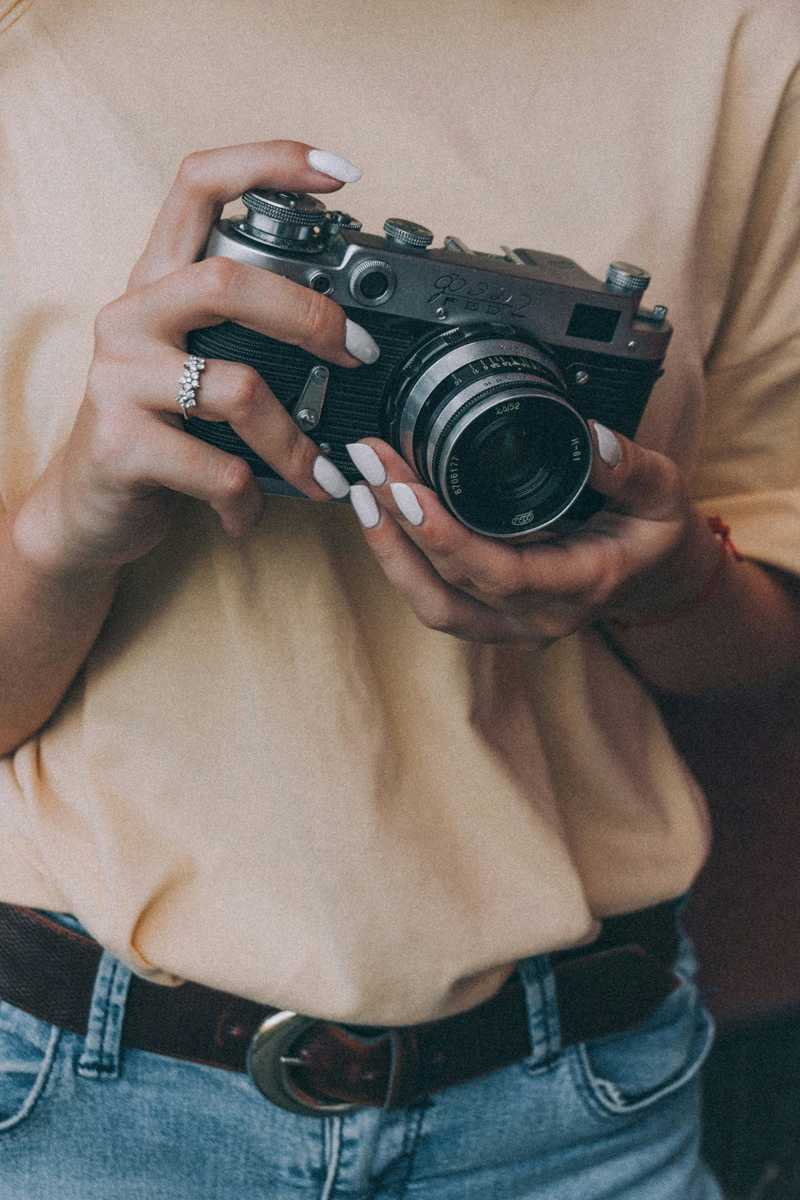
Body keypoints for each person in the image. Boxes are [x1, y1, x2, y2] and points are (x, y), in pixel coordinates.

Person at [0, 0, 798, 1196]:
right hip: (87, 1090)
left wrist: (668, 577)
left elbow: (754, 656)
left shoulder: (737, 37)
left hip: (575, 1106)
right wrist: (66, 530)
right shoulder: (34, 47)